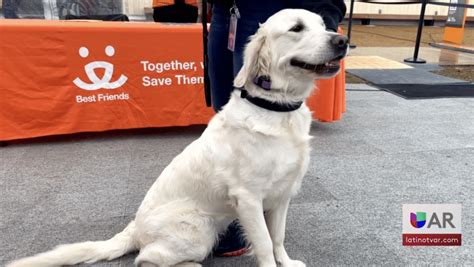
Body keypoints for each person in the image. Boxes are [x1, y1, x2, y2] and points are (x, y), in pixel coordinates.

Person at [206, 0, 346, 257]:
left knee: (270, 162)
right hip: (225, 8)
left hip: (267, 5)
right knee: (230, 120)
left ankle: (264, 243)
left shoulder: (282, 23)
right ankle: (228, 222)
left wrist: (324, 21)